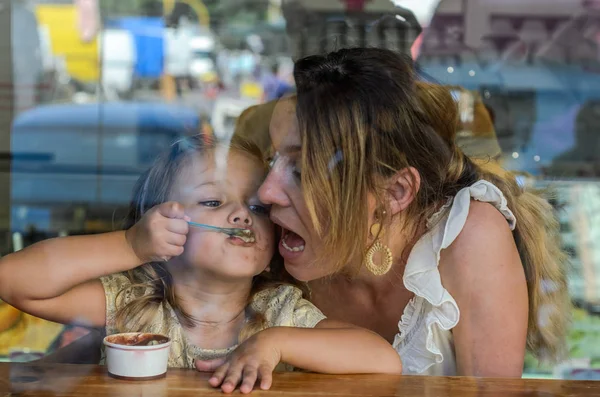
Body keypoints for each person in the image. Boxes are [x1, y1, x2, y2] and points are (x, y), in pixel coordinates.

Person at [198, 47, 570, 377]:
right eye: (272, 160)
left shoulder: (467, 239)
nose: (266, 191)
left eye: (301, 171)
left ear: (396, 192)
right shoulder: (271, 242)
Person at [0, 134, 402, 393]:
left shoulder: (279, 312)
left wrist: (274, 343)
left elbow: (383, 360)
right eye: (213, 202)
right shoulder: (134, 303)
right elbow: (13, 280)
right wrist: (130, 245)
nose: (243, 215)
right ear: (160, 222)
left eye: (259, 207)